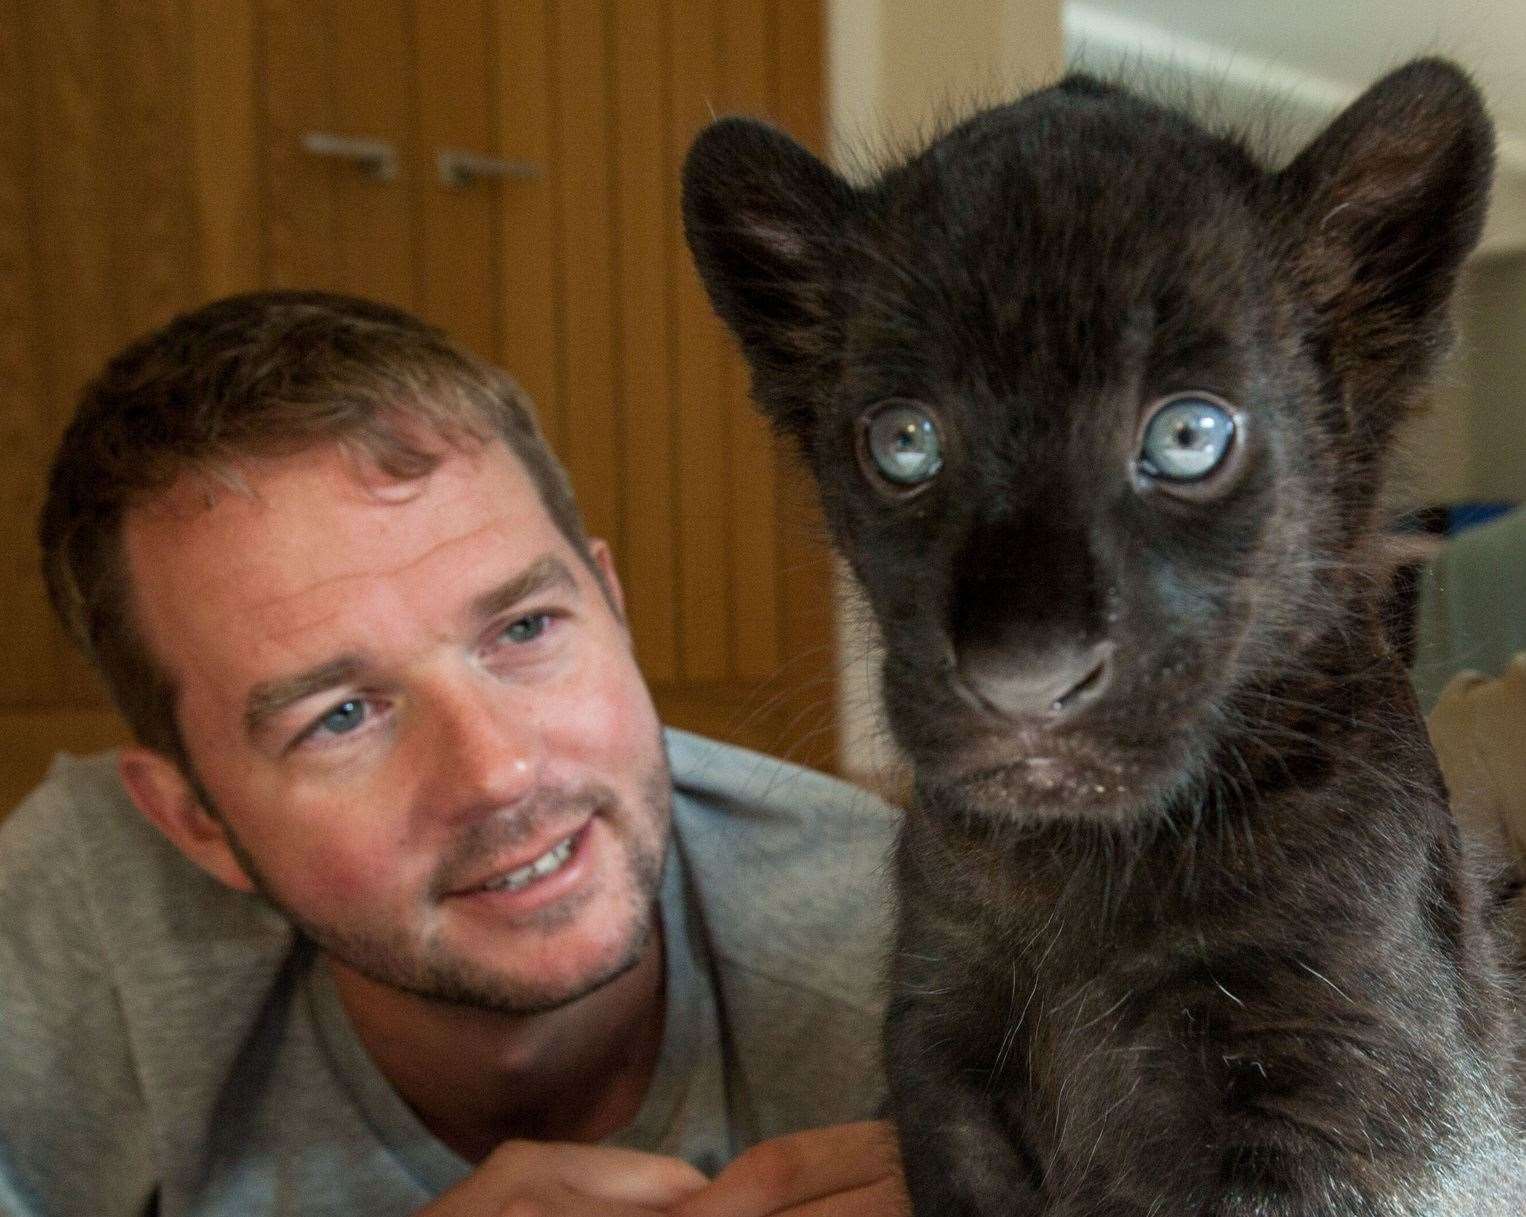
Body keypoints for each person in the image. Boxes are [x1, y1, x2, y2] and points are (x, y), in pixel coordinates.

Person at [0, 291, 905, 1216]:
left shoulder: (900, 947)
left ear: (613, 607)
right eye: (342, 715)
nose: (499, 771)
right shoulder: (100, 909)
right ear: (196, 819)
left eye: (524, 628)